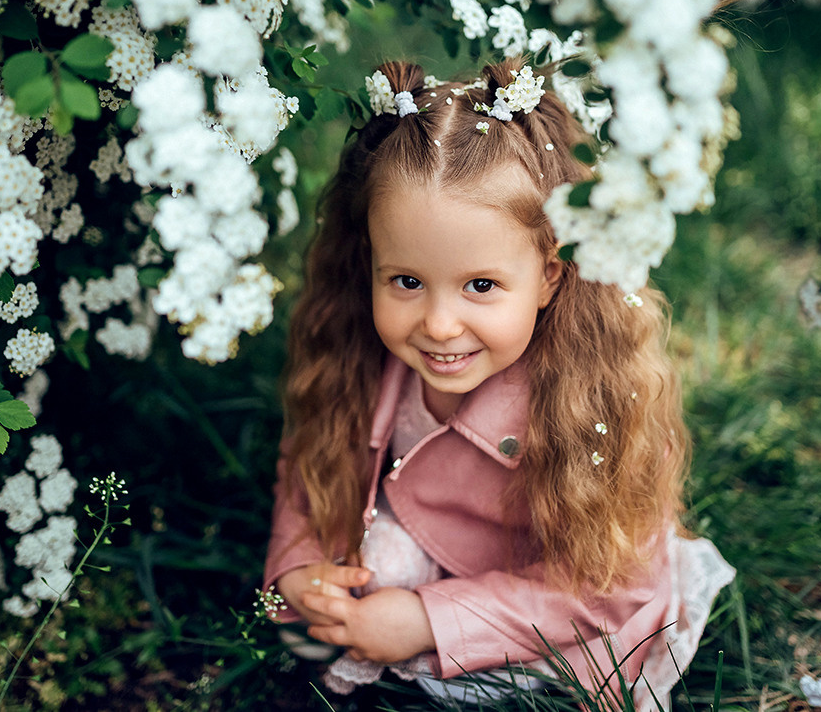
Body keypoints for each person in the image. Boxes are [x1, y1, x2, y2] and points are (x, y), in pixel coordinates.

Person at [263, 58, 734, 708]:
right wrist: (301, 566)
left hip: (535, 600)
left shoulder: (588, 398)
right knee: (349, 591)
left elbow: (607, 586)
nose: (439, 323)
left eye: (480, 285)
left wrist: (431, 618)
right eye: (405, 280)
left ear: (550, 273)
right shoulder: (358, 359)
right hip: (417, 548)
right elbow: (310, 462)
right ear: (369, 258)